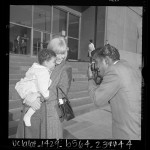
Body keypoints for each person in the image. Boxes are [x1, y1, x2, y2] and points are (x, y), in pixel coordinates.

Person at [16, 36, 72, 139]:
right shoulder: (40, 66)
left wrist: (36, 97)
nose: (60, 56)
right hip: (33, 112)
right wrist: (26, 97)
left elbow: (61, 92)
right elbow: (24, 83)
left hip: (51, 115)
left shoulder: (66, 68)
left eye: (63, 53)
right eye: (57, 52)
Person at [87, 44, 141, 140]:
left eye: (97, 62)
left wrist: (90, 78)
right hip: (136, 126)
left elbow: (97, 99)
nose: (96, 67)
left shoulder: (114, 71)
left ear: (106, 61)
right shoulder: (126, 65)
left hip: (126, 132)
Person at [15, 49, 56, 127]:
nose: (55, 64)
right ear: (46, 62)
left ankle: (27, 112)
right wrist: (46, 95)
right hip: (32, 89)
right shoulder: (44, 72)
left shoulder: (37, 67)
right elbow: (42, 87)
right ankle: (28, 115)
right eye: (53, 62)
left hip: (27, 87)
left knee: (33, 99)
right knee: (38, 102)